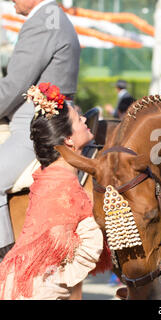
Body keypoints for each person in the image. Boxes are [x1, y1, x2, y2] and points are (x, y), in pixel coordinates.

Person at [0, 83, 111, 300]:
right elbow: (89, 244)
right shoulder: (61, 185)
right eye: (79, 119)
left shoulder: (51, 174)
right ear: (68, 140)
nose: (86, 120)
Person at [0, 0, 81, 261]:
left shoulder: (42, 22)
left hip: (34, 123)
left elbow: (14, 86)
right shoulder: (52, 17)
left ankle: (6, 262)